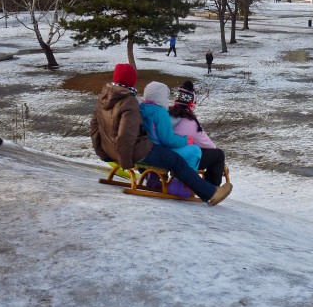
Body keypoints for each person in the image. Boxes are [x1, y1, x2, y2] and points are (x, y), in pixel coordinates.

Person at [90, 63, 232, 206]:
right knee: (177, 161)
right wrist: (125, 161)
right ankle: (210, 192)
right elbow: (126, 135)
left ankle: (163, 180)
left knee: (173, 157)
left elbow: (95, 129)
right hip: (137, 152)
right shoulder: (129, 102)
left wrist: (103, 153)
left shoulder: (104, 100)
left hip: (114, 151)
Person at [169, 81, 227, 186]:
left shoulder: (167, 116)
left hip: (168, 154)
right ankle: (211, 189)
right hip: (182, 158)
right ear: (191, 104)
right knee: (218, 155)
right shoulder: (189, 123)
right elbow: (209, 145)